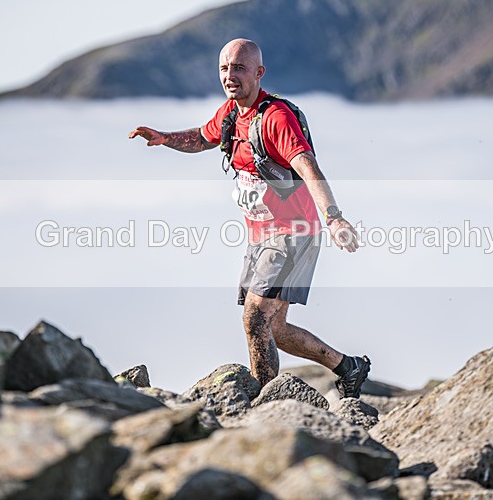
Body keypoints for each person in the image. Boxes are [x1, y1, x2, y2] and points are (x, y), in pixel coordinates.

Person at [129, 38, 371, 398]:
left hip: (294, 233)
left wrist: (334, 217)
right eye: (225, 68)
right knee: (276, 329)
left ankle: (264, 400)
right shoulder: (230, 113)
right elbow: (202, 138)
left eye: (239, 68)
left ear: (259, 73)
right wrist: (165, 138)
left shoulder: (274, 117)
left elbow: (307, 165)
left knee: (255, 317)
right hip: (261, 236)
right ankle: (348, 367)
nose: (230, 75)